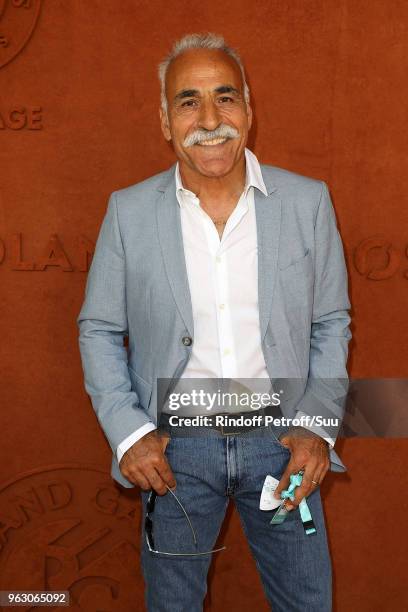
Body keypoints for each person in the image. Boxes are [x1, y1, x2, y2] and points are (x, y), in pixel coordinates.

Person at [77, 32, 351, 612]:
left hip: (283, 449)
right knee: (172, 604)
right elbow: (99, 328)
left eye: (225, 98)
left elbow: (330, 322)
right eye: (187, 101)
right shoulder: (127, 212)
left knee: (308, 601)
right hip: (174, 454)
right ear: (164, 118)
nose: (209, 119)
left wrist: (318, 428)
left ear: (249, 108)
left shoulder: (308, 203)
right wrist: (129, 433)